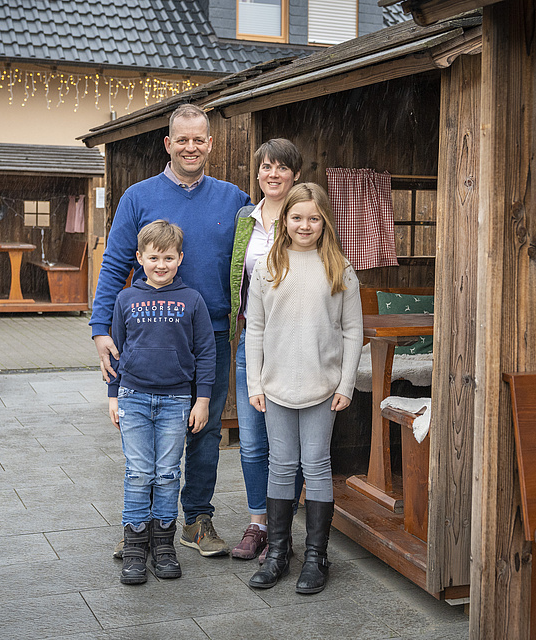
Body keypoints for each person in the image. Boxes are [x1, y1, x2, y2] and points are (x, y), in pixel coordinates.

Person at [91, 104, 250, 558]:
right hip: (147, 337)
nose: (190, 147)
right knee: (144, 435)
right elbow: (115, 264)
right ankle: (139, 526)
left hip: (211, 337)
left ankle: (196, 520)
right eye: (182, 139)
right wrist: (100, 327)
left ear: (210, 144)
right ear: (168, 143)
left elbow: (255, 262)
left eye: (199, 139)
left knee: (205, 429)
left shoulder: (234, 200)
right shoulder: (138, 197)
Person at [245, 183, 363, 594]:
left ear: (325, 221)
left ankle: (316, 556)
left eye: (314, 218)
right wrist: (255, 382)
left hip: (323, 385)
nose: (305, 225)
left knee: (316, 465)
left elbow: (352, 331)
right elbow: (255, 328)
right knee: (280, 464)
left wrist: (346, 383)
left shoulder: (340, 269)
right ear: (285, 220)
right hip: (275, 385)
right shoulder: (268, 266)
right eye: (297, 217)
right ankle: (277, 553)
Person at [108, 220, 216, 585]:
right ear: (140, 258)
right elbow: (116, 351)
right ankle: (135, 547)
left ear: (180, 258)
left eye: (168, 258)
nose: (161, 265)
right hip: (133, 397)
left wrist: (202, 400)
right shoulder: (125, 299)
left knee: (168, 473)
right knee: (138, 473)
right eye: (153, 257)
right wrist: (113, 395)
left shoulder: (192, 300)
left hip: (176, 400)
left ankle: (164, 545)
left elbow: (206, 353)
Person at [229, 139, 306, 562]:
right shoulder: (246, 217)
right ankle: (258, 524)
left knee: (287, 445)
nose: (272, 174)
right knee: (253, 442)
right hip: (252, 341)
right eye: (266, 167)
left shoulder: (304, 216)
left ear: (295, 174)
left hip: (295, 343)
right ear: (257, 173)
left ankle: (282, 531)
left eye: (281, 168)